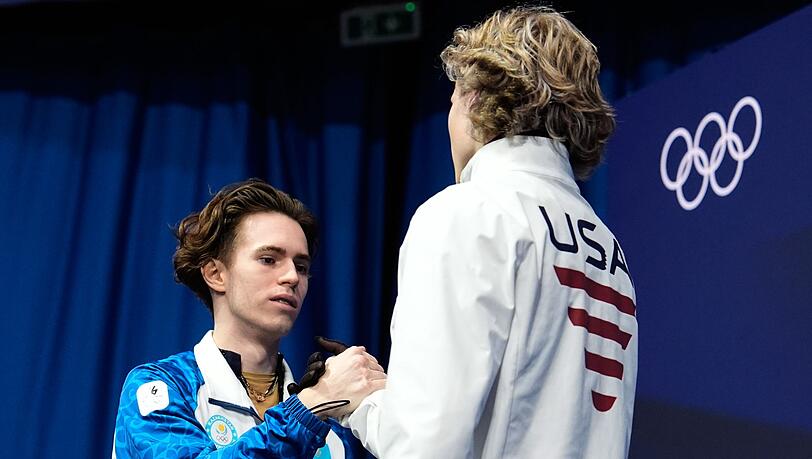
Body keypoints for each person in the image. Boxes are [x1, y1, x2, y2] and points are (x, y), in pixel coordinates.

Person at [343, 6, 638, 458]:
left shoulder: (467, 214)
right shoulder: (607, 247)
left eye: (453, 98)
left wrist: (364, 404)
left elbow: (424, 445)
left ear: (475, 97)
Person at [112, 178, 386, 458]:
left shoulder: (334, 416)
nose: (292, 277)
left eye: (301, 266)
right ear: (215, 274)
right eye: (269, 259)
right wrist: (312, 405)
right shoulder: (162, 386)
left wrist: (386, 403)